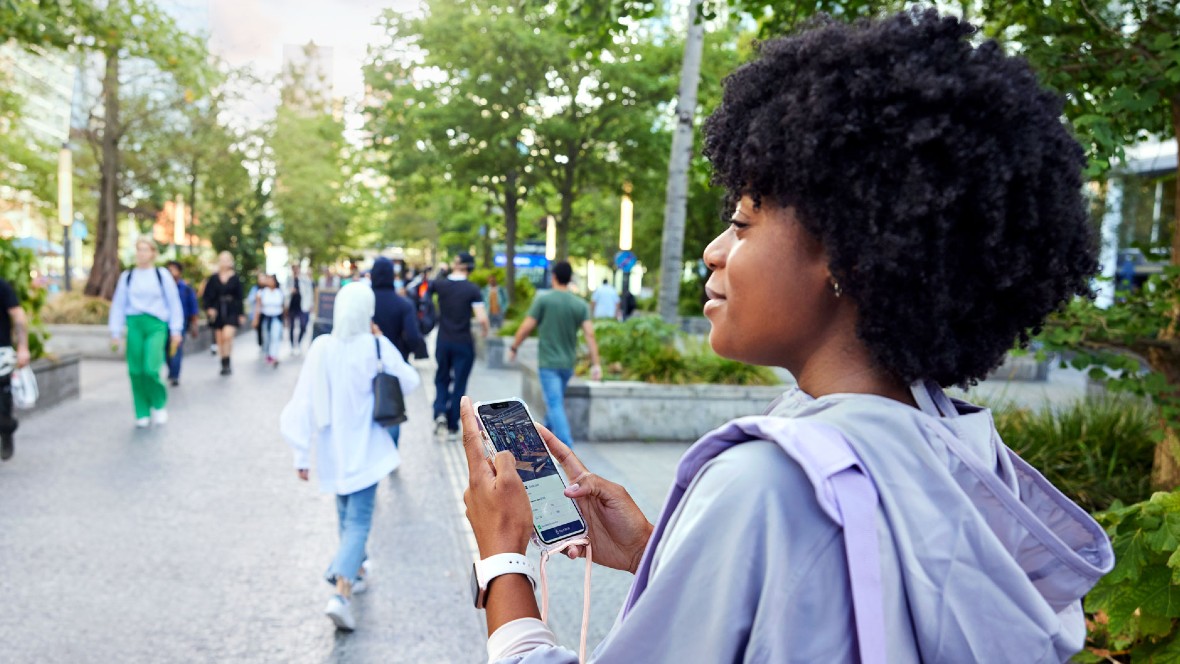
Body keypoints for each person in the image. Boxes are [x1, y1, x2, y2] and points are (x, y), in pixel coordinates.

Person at [459, 11, 1112, 663]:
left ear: (850, 254)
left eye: (742, 224)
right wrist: (655, 551)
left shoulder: (768, 485)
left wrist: (502, 560)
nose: (715, 252)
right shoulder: (959, 448)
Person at [279, 282, 421, 631]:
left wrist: (301, 453)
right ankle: (340, 594)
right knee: (357, 522)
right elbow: (411, 380)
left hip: (332, 450)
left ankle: (356, 569)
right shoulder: (376, 345)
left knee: (346, 518)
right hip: (367, 449)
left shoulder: (321, 347)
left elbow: (302, 400)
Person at [508, 261, 601, 447]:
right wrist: (596, 364)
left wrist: (514, 347)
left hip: (549, 363)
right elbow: (590, 334)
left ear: (554, 277)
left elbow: (527, 327)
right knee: (554, 402)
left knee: (554, 404)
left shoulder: (544, 300)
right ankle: (543, 440)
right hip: (567, 364)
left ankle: (567, 449)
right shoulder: (580, 304)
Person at [109, 238, 184, 428]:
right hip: (134, 324)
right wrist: (115, 332)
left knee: (151, 369)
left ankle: (158, 404)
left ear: (153, 253)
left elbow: (174, 302)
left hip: (156, 325)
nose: (141, 253)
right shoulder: (127, 276)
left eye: (145, 250)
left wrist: (176, 329)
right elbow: (118, 304)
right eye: (138, 250)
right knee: (135, 370)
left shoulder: (161, 275)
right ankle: (141, 410)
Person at [432, 252, 489, 440]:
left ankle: (439, 410)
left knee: (441, 377)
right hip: (463, 342)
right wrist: (485, 331)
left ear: (456, 264)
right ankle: (452, 425)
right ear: (470, 268)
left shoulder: (440, 285)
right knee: (459, 384)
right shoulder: (472, 289)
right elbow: (481, 318)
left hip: (443, 341)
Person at [370, 257, 423, 448]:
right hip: (394, 363)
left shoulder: (365, 301)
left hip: (365, 361)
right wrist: (404, 352)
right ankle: (390, 452)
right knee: (392, 407)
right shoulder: (403, 304)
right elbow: (414, 337)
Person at [0, 276, 30, 461]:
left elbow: (18, 315)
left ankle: (6, 429)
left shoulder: (2, 285)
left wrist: (23, 347)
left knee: (2, 407)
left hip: (1, 355)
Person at [203, 251, 244, 376]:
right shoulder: (214, 278)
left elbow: (239, 297)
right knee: (220, 339)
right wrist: (209, 308)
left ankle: (228, 360)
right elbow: (207, 295)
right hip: (218, 310)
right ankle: (223, 363)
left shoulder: (235, 278)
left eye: (227, 259)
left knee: (227, 336)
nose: (224, 262)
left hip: (231, 310)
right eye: (222, 259)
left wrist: (241, 314)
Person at [164, 261, 201, 387]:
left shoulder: (186, 289)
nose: (171, 272)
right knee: (165, 348)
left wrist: (194, 324)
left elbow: (193, 307)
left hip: (181, 322)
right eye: (169, 270)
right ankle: (171, 370)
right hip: (164, 322)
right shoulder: (162, 288)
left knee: (176, 347)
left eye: (174, 269)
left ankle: (175, 375)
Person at [254, 274, 285, 366]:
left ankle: (274, 356)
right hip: (266, 318)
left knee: (275, 336)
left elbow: (283, 306)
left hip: (276, 317)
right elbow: (258, 306)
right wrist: (256, 318)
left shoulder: (279, 292)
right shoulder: (262, 292)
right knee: (266, 338)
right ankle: (268, 354)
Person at [286, 264, 314, 355]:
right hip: (292, 306)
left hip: (303, 306)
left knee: (303, 325)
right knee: (292, 327)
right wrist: (290, 291)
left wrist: (311, 304)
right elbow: (284, 291)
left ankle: (298, 343)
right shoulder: (289, 279)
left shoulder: (305, 279)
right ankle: (292, 346)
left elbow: (309, 292)